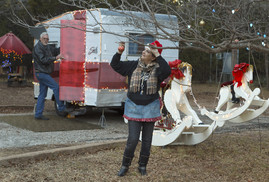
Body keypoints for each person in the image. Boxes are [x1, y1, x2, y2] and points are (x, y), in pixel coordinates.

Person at [110, 40, 171, 176]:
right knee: (132, 139)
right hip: (133, 106)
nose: (143, 52)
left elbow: (167, 71)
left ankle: (142, 166)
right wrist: (119, 52)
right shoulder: (133, 65)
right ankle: (125, 165)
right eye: (144, 50)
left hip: (150, 107)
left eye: (148, 51)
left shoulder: (158, 69)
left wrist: (157, 54)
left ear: (153, 56)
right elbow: (115, 65)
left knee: (147, 141)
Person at [33, 32, 69, 120]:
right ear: (40, 39)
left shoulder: (47, 47)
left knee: (42, 94)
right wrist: (56, 58)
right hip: (42, 73)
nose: (46, 40)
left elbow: (56, 50)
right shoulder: (38, 48)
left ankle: (38, 114)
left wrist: (65, 46)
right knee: (56, 87)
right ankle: (61, 107)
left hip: (43, 73)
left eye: (47, 39)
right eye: (44, 39)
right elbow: (43, 60)